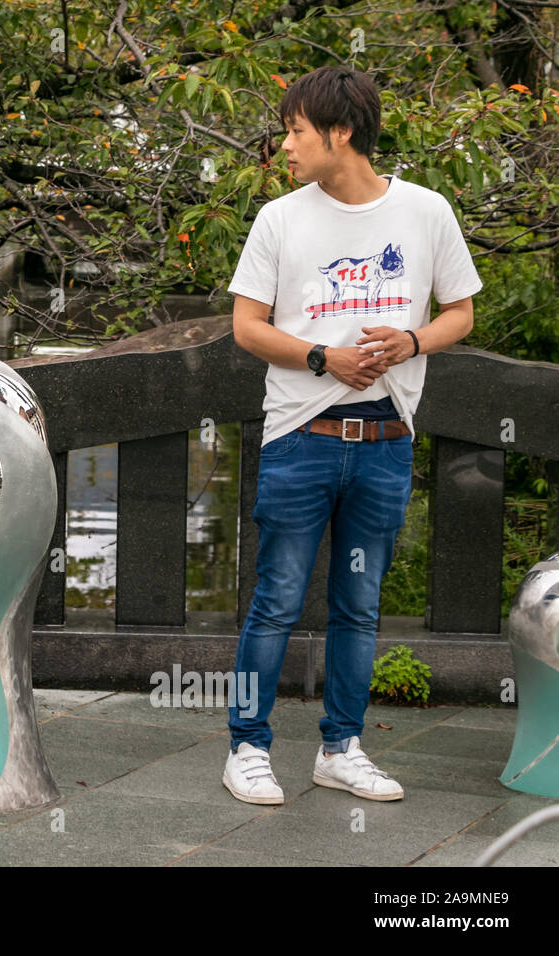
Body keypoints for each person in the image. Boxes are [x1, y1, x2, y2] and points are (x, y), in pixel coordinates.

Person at [222, 66, 480, 805]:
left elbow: (460, 311)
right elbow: (246, 326)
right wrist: (319, 356)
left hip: (386, 438)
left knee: (358, 605)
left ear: (340, 133)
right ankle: (247, 745)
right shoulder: (280, 218)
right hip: (301, 436)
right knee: (274, 598)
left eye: (296, 131)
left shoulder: (426, 212)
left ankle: (341, 747)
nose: (285, 145)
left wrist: (411, 341)